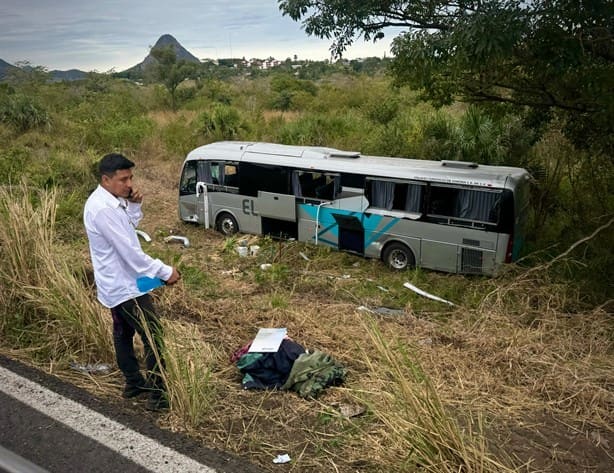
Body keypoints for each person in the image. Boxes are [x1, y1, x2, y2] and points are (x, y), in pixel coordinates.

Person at [84, 153, 181, 411]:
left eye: (130, 178)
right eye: (122, 179)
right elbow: (131, 252)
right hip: (126, 286)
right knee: (153, 336)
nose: (128, 184)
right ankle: (159, 396)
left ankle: (134, 384)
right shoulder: (103, 209)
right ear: (106, 180)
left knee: (123, 333)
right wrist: (164, 271)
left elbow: (128, 229)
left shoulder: (110, 203)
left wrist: (134, 206)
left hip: (116, 284)